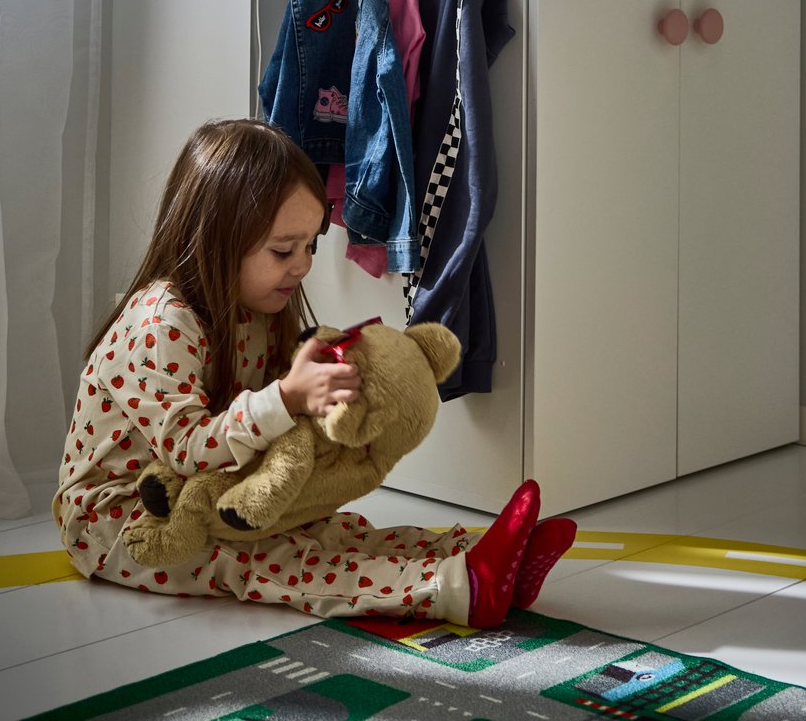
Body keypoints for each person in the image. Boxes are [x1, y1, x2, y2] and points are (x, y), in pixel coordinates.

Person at [53, 117, 576, 625]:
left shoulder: (258, 309)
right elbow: (186, 450)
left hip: (211, 495)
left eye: (311, 245)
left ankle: (478, 552)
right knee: (270, 560)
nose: (302, 265)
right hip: (121, 520)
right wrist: (286, 398)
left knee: (329, 531)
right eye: (284, 250)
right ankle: (461, 587)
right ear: (217, 239)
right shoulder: (162, 320)